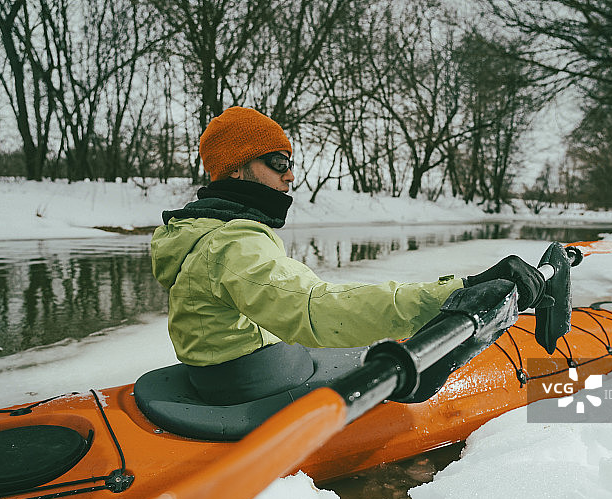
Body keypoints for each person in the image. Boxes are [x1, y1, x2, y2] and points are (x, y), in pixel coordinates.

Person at [151, 106, 544, 404]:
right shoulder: (232, 243)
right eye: (278, 162)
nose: (290, 175)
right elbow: (315, 310)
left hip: (220, 373)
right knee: (378, 351)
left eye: (291, 164)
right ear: (235, 169)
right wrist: (461, 292)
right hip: (251, 382)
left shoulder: (201, 231)